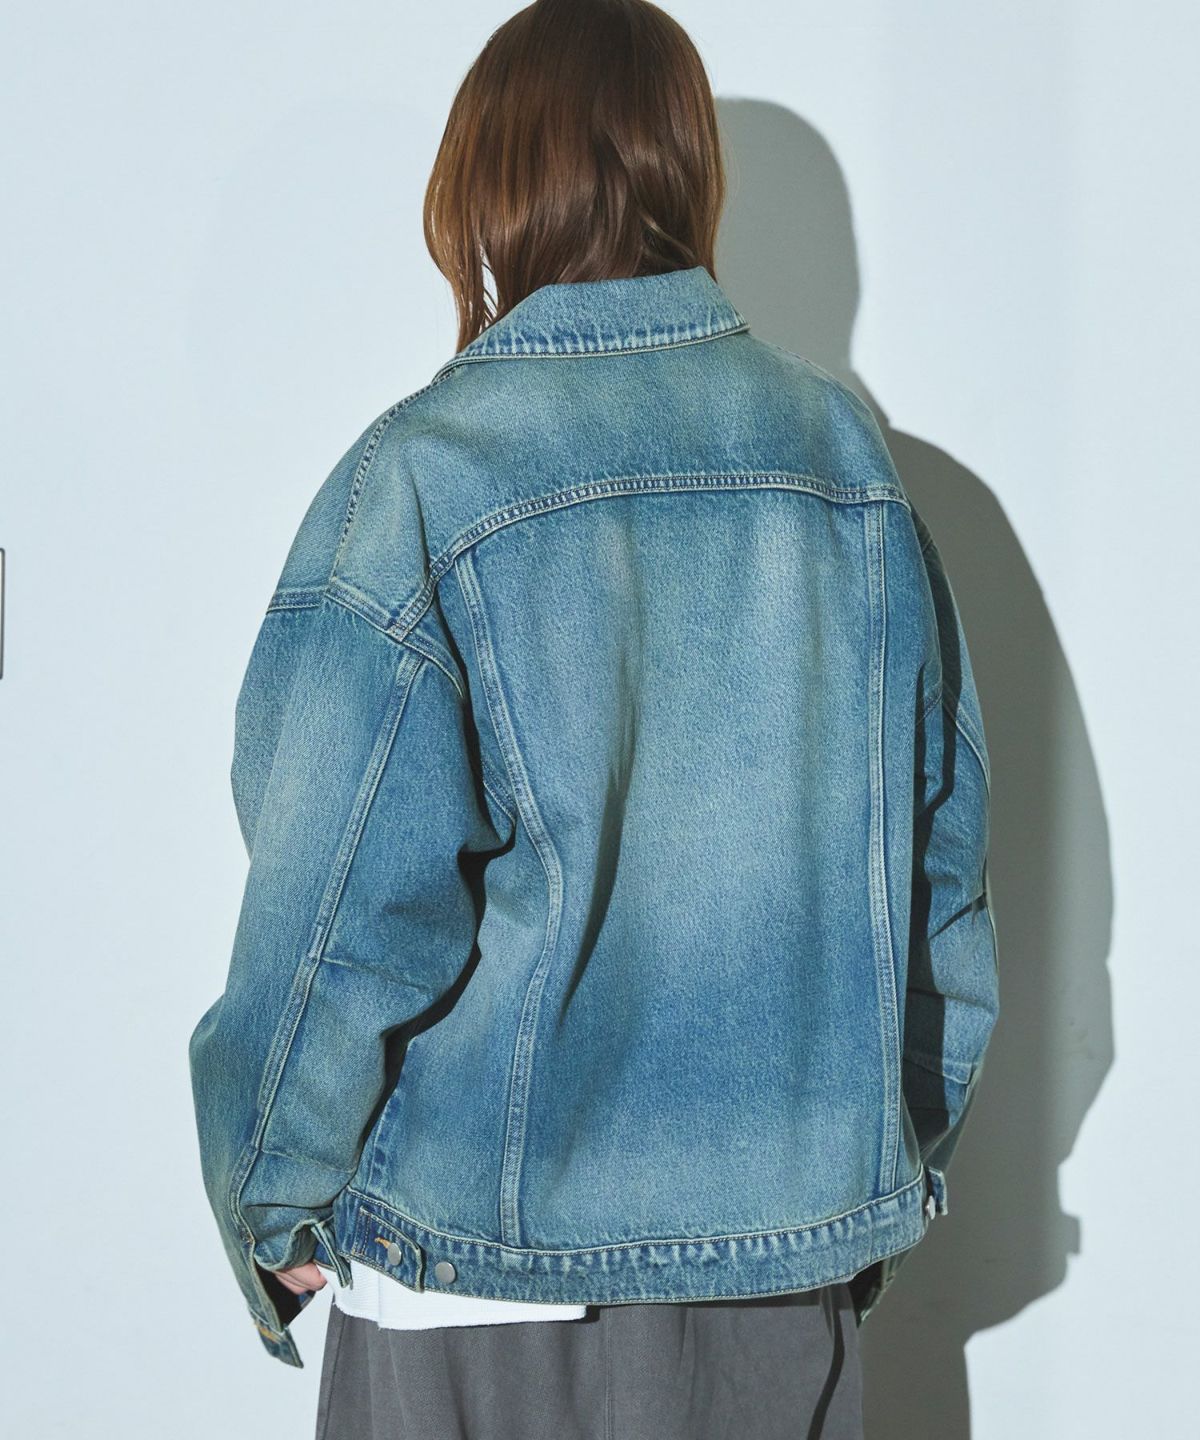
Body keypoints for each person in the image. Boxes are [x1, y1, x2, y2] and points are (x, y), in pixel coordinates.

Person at [187, 1, 1000, 1435]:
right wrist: (857, 1169)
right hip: (779, 1292)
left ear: (482, 186)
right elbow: (940, 876)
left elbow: (335, 904)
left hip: (476, 1296)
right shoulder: (845, 466)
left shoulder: (428, 476)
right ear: (689, 171)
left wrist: (274, 1192)